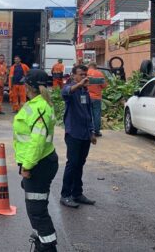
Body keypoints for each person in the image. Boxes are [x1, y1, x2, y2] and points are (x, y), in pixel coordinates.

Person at [13, 69, 59, 252]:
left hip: (38, 164)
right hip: (41, 162)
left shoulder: (39, 107)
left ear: (28, 87)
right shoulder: (39, 103)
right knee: (38, 207)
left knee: (37, 211)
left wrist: (27, 166)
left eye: (25, 84)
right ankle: (43, 240)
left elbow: (37, 142)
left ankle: (47, 246)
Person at [60, 65, 97, 208]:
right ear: (74, 76)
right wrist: (79, 85)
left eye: (85, 74)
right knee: (72, 164)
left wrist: (92, 132)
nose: (84, 77)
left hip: (85, 135)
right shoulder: (70, 89)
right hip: (73, 134)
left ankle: (77, 193)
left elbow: (88, 114)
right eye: (81, 74)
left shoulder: (84, 92)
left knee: (80, 164)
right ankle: (65, 195)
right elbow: (65, 93)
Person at [87, 61, 107, 137]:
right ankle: (97, 131)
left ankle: (89, 130)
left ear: (89, 66)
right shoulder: (99, 74)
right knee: (96, 114)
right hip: (96, 97)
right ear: (95, 67)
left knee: (88, 114)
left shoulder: (85, 73)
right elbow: (104, 86)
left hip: (87, 97)